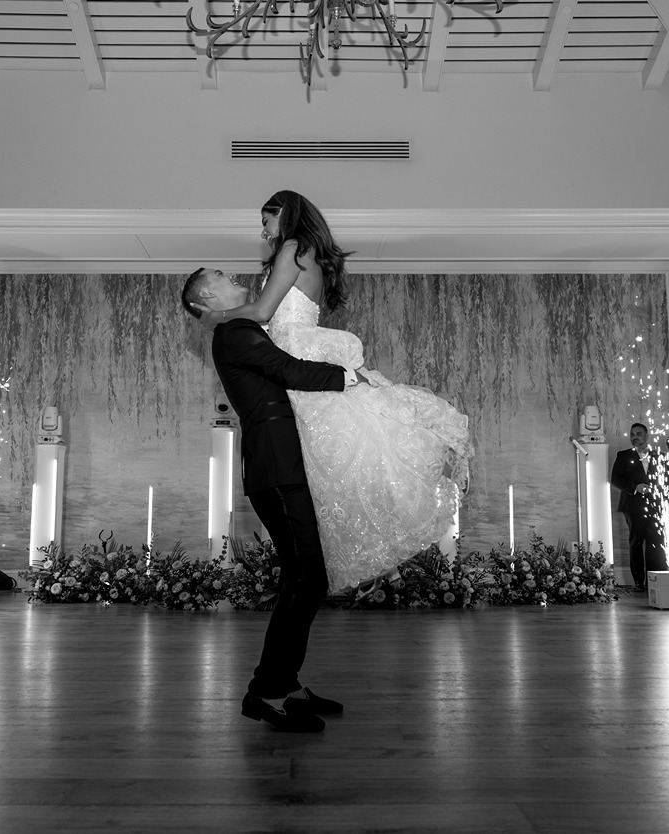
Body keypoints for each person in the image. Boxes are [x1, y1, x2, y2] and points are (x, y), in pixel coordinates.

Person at [191, 190, 472, 590]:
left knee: (338, 454)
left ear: (284, 214)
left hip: (295, 349)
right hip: (293, 347)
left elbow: (263, 313)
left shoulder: (292, 246)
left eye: (266, 219)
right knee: (337, 458)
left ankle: (368, 547)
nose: (263, 229)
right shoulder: (304, 252)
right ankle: (374, 546)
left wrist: (214, 318)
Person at [182, 267, 358, 733]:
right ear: (207, 300)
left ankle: (285, 682)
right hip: (276, 472)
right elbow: (287, 371)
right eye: (218, 275)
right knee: (306, 577)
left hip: (280, 470)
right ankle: (266, 691)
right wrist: (350, 378)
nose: (230, 272)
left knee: (305, 577)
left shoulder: (242, 328)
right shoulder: (232, 330)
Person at [610, 422, 666, 590]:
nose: (635, 437)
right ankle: (638, 582)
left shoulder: (658, 456)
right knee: (636, 541)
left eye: (639, 433)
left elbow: (665, 481)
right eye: (632, 434)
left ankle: (654, 579)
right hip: (632, 505)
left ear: (646, 436)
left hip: (655, 505)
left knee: (655, 542)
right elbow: (616, 479)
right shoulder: (623, 456)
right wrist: (636, 487)